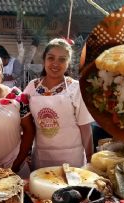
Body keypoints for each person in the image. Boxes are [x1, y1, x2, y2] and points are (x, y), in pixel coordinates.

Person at [23, 38, 94, 169]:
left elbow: (85, 127)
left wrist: (90, 158)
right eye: (51, 58)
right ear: (44, 60)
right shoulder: (32, 87)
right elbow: (23, 121)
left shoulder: (76, 88)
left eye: (62, 59)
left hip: (72, 160)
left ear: (68, 63)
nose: (55, 63)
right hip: (41, 158)